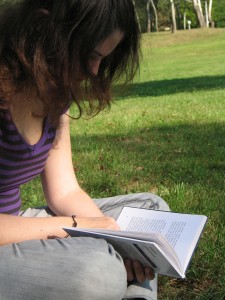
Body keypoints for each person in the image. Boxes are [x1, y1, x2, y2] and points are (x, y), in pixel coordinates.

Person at [0, 1, 169, 299]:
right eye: (90, 55)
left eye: (103, 58)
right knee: (98, 272)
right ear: (45, 28)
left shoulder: (53, 89)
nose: (95, 70)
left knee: (152, 212)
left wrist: (116, 238)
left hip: (19, 225)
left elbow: (64, 191)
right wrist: (76, 226)